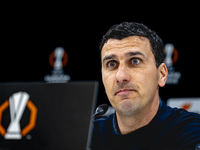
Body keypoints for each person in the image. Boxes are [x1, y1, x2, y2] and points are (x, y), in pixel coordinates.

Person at [90, 22, 200, 150]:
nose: (120, 76)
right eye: (111, 64)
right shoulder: (89, 136)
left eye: (135, 61)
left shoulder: (190, 130)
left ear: (162, 75)